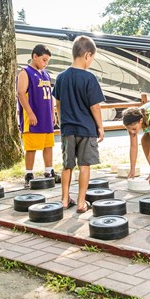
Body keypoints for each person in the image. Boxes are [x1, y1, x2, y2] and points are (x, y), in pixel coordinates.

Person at [52, 36, 105, 213]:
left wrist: (61, 121)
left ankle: (65, 200)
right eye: (93, 59)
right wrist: (100, 126)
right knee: (84, 165)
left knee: (67, 165)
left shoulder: (61, 77)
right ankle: (82, 202)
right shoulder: (90, 78)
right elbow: (95, 106)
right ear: (87, 55)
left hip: (68, 129)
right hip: (87, 129)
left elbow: (57, 103)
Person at [17, 44, 58, 187]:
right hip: (33, 117)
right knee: (32, 147)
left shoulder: (45, 74)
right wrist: (29, 112)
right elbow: (21, 93)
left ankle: (49, 170)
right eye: (44, 60)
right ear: (35, 56)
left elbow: (50, 95)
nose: (46, 63)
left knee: (48, 145)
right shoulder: (25, 72)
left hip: (46, 116)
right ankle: (29, 173)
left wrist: (53, 113)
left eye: (47, 61)